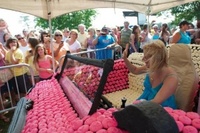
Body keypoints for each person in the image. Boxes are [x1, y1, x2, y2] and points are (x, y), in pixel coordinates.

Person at [123, 40, 178, 109]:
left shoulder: (171, 78)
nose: (143, 60)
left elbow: (155, 102)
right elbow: (135, 70)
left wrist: (131, 108)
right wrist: (125, 58)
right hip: (146, 102)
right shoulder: (153, 67)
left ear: (156, 58)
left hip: (162, 109)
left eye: (146, 57)